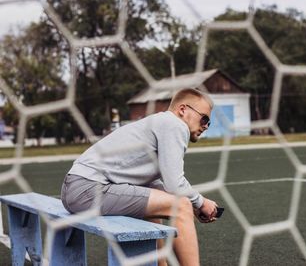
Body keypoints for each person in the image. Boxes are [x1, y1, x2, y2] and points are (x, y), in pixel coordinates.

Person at [61, 88, 219, 266]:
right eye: (204, 118)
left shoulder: (159, 122)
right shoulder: (175, 124)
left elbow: (161, 186)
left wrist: (195, 205)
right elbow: (175, 184)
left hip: (78, 187)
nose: (206, 125)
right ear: (183, 110)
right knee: (180, 206)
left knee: (160, 197)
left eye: (209, 122)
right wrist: (199, 202)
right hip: (87, 189)